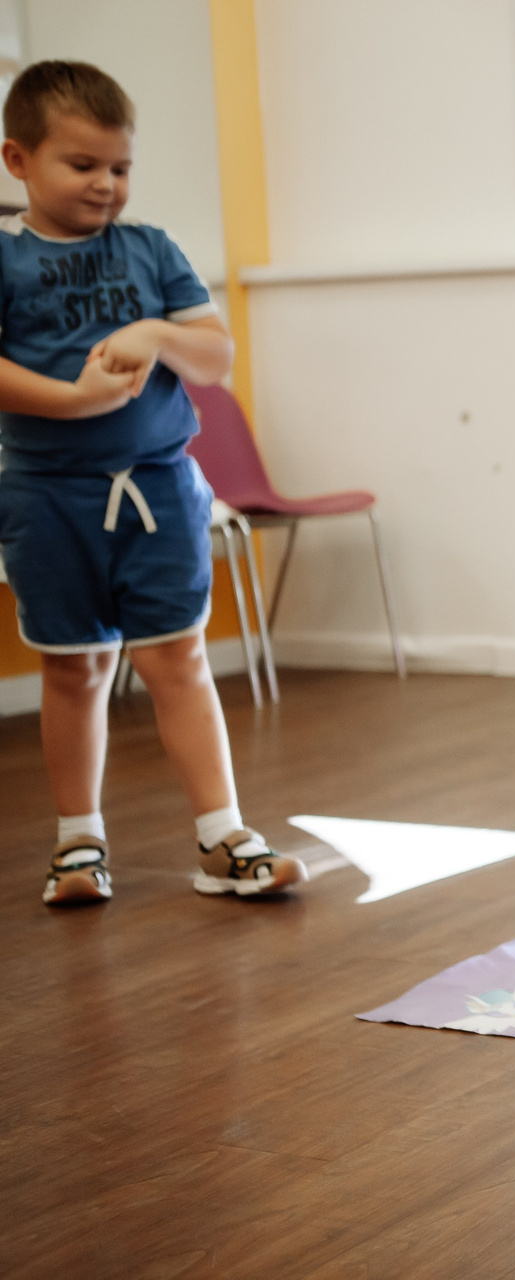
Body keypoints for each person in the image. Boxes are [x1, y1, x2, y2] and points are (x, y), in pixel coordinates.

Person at [0, 62, 306, 906]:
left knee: (178, 657)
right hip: (47, 497)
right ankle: (77, 844)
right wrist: (72, 400)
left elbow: (215, 355)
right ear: (18, 159)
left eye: (120, 167)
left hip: (161, 490)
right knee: (75, 669)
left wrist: (155, 333)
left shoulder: (152, 250)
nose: (106, 183)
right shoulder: (6, 259)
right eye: (83, 164)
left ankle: (222, 836)